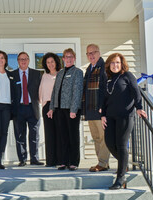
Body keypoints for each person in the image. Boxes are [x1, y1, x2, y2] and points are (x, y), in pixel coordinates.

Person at [100, 53, 147, 189]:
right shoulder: (107, 78)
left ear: (122, 64)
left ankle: (120, 178)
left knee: (121, 145)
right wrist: (102, 114)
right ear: (108, 64)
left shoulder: (127, 76)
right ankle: (124, 163)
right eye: (113, 63)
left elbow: (135, 92)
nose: (115, 65)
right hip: (110, 116)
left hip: (125, 116)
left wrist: (139, 108)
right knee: (109, 143)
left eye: (118, 63)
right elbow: (103, 98)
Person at [48, 48, 83, 171]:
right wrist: (52, 108)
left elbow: (77, 91)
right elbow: (54, 92)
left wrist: (74, 109)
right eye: (66, 56)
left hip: (71, 110)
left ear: (74, 58)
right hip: (59, 109)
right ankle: (63, 161)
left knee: (72, 136)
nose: (68, 59)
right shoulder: (60, 73)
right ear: (63, 59)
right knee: (62, 136)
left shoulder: (77, 72)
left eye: (71, 56)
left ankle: (73, 162)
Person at [82, 44, 111, 172]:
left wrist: (102, 107)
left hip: (100, 109)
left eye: (94, 52)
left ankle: (103, 162)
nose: (91, 55)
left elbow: (105, 90)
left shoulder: (104, 68)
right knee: (96, 137)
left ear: (99, 53)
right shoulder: (90, 68)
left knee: (103, 137)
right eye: (89, 53)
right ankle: (102, 162)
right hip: (90, 109)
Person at [12, 52, 44, 166]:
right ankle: (22, 159)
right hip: (18, 108)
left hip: (33, 107)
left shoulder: (37, 74)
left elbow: (42, 89)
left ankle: (34, 159)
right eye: (21, 59)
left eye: (25, 59)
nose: (23, 61)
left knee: (34, 134)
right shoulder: (13, 75)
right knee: (20, 135)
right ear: (18, 61)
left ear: (29, 60)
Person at [39, 52, 61, 167]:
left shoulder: (61, 74)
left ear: (56, 62)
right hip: (47, 106)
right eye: (48, 62)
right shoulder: (44, 76)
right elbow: (41, 92)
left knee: (59, 133)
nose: (50, 64)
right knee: (49, 133)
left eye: (52, 61)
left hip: (58, 106)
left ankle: (59, 159)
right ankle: (50, 160)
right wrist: (44, 105)